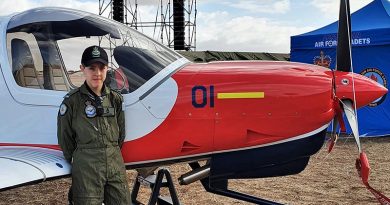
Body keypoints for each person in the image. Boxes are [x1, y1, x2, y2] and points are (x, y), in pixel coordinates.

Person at [57, 45, 131, 204]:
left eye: (102, 68)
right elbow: (65, 138)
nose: (97, 73)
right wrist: (80, 159)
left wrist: (111, 151)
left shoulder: (115, 99)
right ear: (82, 68)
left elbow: (121, 133)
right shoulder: (72, 102)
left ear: (107, 69)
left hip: (114, 162)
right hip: (86, 165)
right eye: (92, 68)